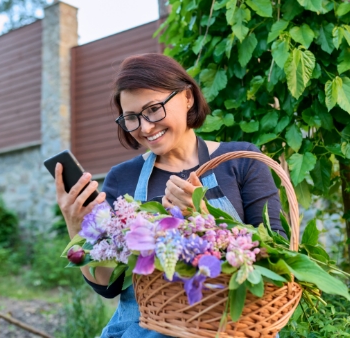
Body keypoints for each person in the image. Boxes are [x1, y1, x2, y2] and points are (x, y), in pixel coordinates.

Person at [55, 53, 284, 338]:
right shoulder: (122, 178)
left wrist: (202, 218)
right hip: (143, 330)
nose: (145, 127)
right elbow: (109, 285)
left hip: (232, 327)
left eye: (153, 109)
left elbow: (278, 255)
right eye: (132, 118)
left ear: (187, 97)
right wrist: (77, 226)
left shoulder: (241, 161)